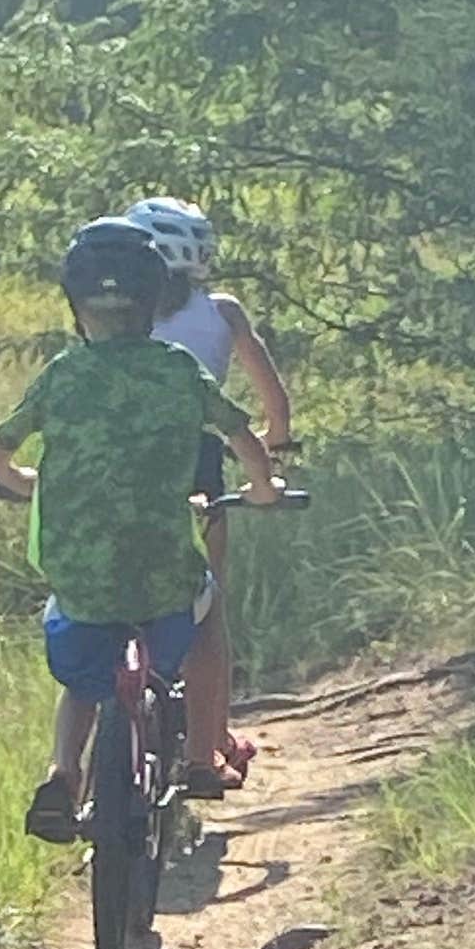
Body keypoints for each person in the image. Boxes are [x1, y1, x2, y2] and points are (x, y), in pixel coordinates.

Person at [0, 218, 279, 843]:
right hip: (162, 572)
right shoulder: (177, 369)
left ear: (76, 305)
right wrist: (262, 488)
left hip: (82, 576)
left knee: (81, 669)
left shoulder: (62, 374)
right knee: (203, 606)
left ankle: (64, 772)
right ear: (151, 299)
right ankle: (201, 749)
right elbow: (245, 440)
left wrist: (33, 484)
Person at [122, 195, 295, 795]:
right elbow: (273, 404)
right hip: (196, 465)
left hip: (117, 467)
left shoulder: (121, 316)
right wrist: (274, 446)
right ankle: (203, 755)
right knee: (205, 611)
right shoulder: (223, 313)